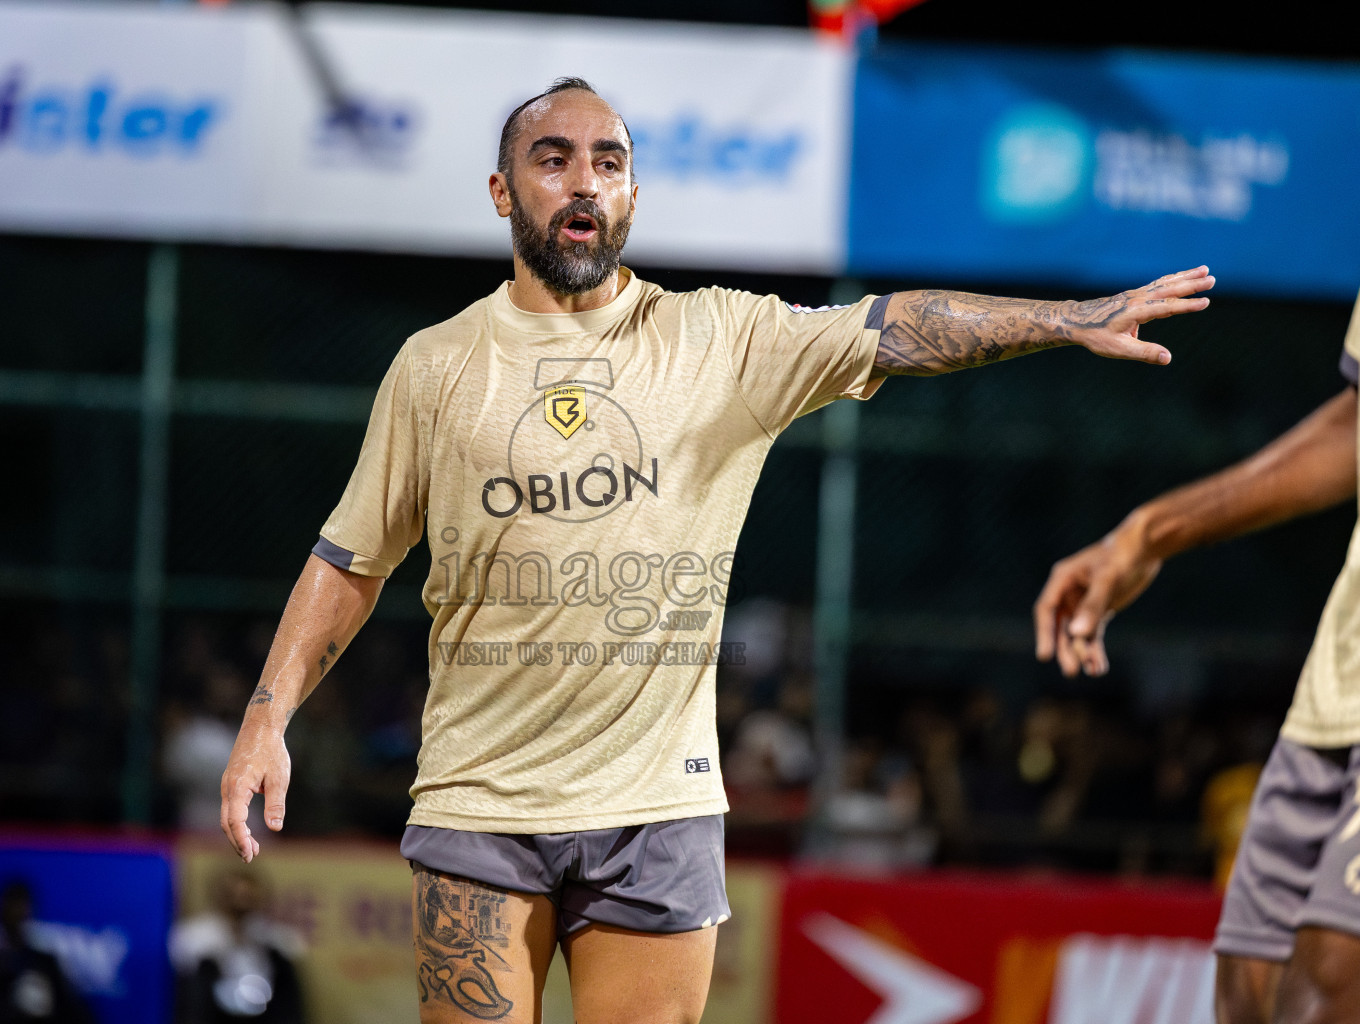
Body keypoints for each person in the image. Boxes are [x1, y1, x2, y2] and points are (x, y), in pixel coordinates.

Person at [221, 76, 1213, 1024]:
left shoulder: (719, 341)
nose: (583, 182)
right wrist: (269, 715)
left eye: (607, 162)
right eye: (553, 158)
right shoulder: (435, 366)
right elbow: (352, 558)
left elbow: (897, 327)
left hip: (658, 809)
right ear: (500, 190)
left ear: (633, 196)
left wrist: (1069, 317)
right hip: (479, 804)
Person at [1033, 292, 1360, 1024]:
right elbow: (1357, 423)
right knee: (1246, 997)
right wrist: (1150, 532)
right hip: (1333, 697)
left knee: (1329, 986)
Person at [0, 879, 96, 1024]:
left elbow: (79, 1015)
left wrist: (47, 1005)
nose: (15, 914)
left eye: (21, 907)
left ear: (30, 913)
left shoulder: (46, 964)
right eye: (10, 907)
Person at [170, 866, 307, 1024]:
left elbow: (293, 947)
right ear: (219, 896)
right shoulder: (196, 934)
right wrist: (226, 941)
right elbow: (185, 966)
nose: (240, 903)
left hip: (261, 1010)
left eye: (248, 897)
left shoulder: (269, 935)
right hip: (214, 1012)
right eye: (233, 896)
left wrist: (252, 940)